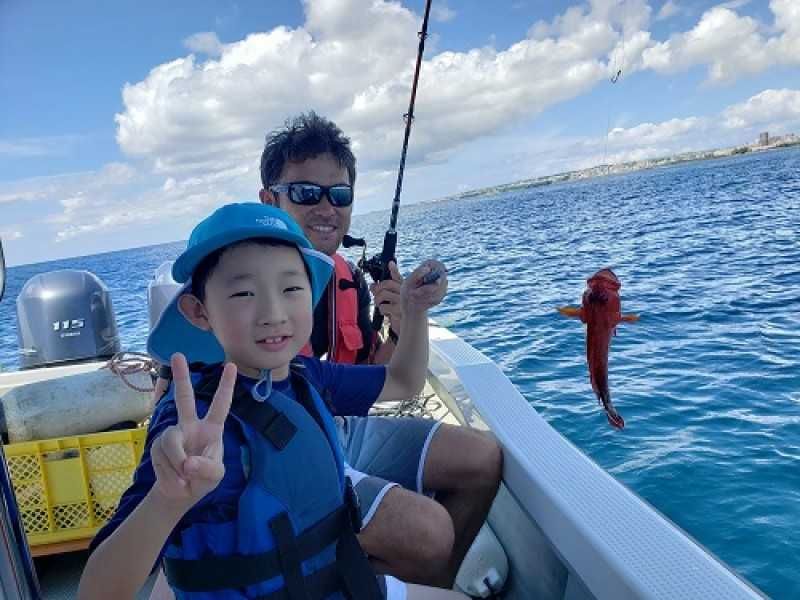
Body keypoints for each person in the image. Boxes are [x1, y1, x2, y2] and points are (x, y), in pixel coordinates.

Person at [79, 203, 463, 600]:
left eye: (291, 288)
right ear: (199, 311)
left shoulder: (303, 374)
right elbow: (97, 591)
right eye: (244, 292)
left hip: (335, 579)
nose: (273, 313)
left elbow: (403, 381)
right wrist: (166, 500)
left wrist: (414, 311)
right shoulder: (192, 423)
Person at [258, 112, 503, 588]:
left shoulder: (347, 279)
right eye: (306, 193)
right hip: (281, 453)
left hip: (338, 427)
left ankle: (425, 588)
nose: (326, 207)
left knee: (482, 459)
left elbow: (384, 378)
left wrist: (407, 319)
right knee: (427, 530)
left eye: (340, 194)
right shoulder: (243, 282)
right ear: (270, 199)